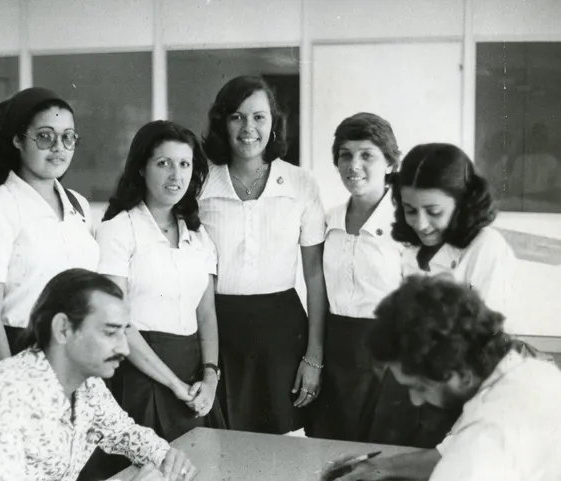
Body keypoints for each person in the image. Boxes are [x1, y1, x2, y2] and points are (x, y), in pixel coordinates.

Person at [0, 269, 198, 481]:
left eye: (123, 332)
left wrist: (165, 456)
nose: (124, 348)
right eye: (109, 332)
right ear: (63, 329)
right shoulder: (6, 397)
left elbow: (124, 433)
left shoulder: (88, 384)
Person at [327, 275, 561, 481]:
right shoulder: (530, 372)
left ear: (462, 376)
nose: (416, 401)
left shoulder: (483, 441)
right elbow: (448, 452)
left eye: (420, 387)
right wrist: (380, 467)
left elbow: (464, 457)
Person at [199, 76, 328, 434]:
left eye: (259, 117)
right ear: (222, 123)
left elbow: (315, 275)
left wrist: (314, 357)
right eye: (237, 117)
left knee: (283, 448)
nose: (248, 128)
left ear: (273, 123)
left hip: (282, 331)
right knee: (221, 443)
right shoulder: (201, 183)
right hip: (217, 329)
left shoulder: (301, 183)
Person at [367, 142, 517, 447]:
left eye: (433, 211)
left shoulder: (487, 247)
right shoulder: (410, 246)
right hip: (407, 388)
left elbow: (482, 349)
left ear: (463, 203)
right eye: (410, 210)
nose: (421, 223)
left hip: (455, 394)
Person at [97, 120, 225, 443]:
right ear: (141, 168)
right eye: (163, 163)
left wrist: (209, 377)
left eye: (184, 164)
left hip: (194, 380)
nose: (176, 175)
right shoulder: (118, 230)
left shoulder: (198, 235)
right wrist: (174, 385)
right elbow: (119, 324)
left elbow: (206, 313)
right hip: (139, 376)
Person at [0, 87, 100, 367]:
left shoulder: (78, 205)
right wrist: (8, 382)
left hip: (77, 350)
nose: (58, 148)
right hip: (19, 351)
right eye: (45, 137)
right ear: (17, 139)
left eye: (68, 138)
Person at [309, 113, 404, 441]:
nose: (354, 165)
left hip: (390, 357)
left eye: (367, 155)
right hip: (338, 352)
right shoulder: (328, 220)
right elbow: (319, 290)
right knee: (332, 451)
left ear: (390, 163)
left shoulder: (407, 223)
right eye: (345, 154)